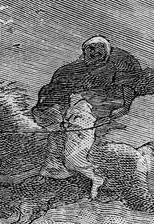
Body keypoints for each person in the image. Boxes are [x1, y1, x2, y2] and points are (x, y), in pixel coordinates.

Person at [33, 36, 143, 196]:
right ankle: (52, 169)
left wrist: (124, 107)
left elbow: (124, 92)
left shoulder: (111, 71)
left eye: (99, 50)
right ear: (84, 51)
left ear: (106, 52)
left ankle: (93, 177)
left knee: (73, 156)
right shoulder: (69, 70)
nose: (94, 53)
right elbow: (52, 93)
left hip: (90, 114)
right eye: (90, 49)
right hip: (66, 113)